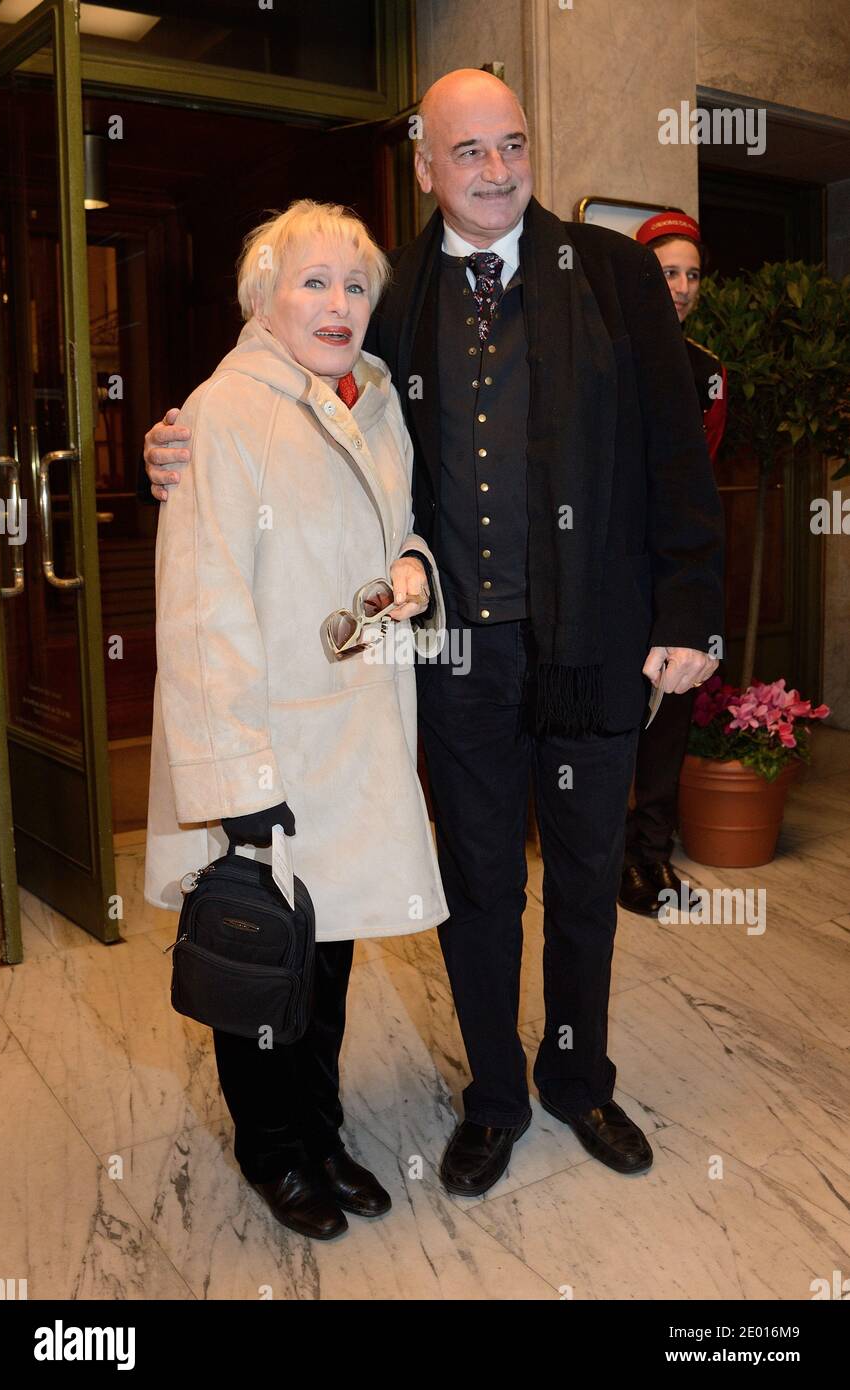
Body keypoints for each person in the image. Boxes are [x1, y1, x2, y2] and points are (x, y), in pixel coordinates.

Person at [144, 69, 724, 1198]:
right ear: (424, 167)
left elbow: (673, 456)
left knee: (585, 879)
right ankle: (495, 1098)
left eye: (511, 145)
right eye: (468, 152)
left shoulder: (608, 276)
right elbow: (289, 394)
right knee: (477, 889)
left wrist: (691, 608)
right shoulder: (386, 290)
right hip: (454, 660)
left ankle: (578, 1081)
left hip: (593, 643)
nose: (497, 170)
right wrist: (176, 436)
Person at [144, 199, 449, 1240]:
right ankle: (272, 1152)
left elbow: (401, 525)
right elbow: (199, 608)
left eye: (355, 285)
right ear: (261, 297)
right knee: (263, 954)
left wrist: (412, 566)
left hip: (352, 741)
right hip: (270, 748)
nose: (337, 303)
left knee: (326, 957)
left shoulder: (371, 406)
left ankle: (318, 1134)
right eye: (312, 282)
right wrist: (237, 783)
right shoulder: (220, 415)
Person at [619, 211, 728, 917]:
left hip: (676, 569)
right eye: (668, 272)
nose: (683, 286)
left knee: (670, 716)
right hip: (610, 565)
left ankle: (649, 857)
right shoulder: (603, 353)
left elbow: (701, 476)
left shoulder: (708, 372)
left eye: (691, 274)